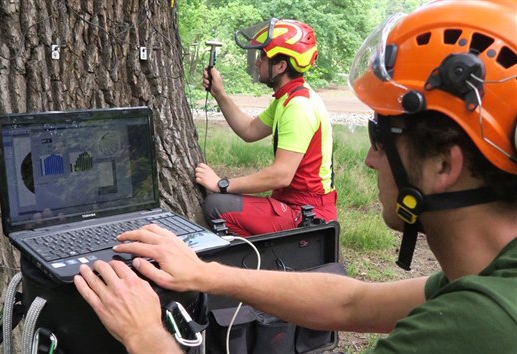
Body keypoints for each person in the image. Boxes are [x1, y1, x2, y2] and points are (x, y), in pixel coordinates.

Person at [74, 0, 517, 352]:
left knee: (216, 205)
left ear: (444, 164)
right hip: (290, 206)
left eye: (378, 135)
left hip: (302, 210)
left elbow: (281, 172)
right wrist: (208, 273)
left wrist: (146, 336)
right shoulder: (487, 279)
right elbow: (351, 301)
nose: (368, 159)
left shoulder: (476, 327)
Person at [195, 18, 337, 236]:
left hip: (305, 214)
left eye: (263, 56)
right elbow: (249, 130)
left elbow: (281, 175)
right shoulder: (288, 97)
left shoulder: (298, 106)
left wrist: (222, 184)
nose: (257, 62)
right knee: (221, 203)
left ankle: (268, 263)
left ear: (280, 66)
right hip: (294, 204)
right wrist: (219, 94)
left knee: (217, 205)